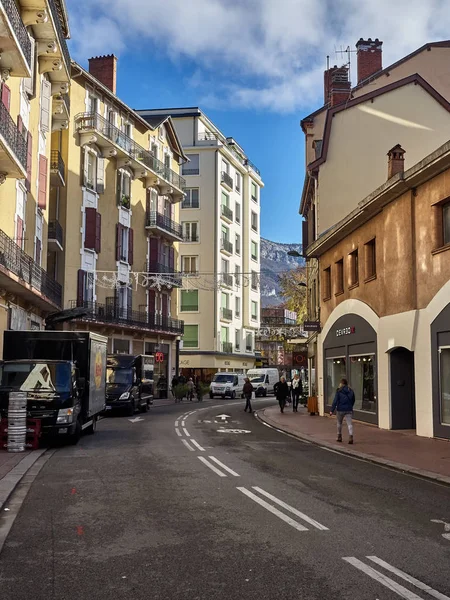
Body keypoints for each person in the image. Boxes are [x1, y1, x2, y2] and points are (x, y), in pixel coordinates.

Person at [330, 378, 355, 444]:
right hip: (349, 409)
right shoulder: (351, 391)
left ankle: (339, 436)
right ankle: (351, 437)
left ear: (341, 383)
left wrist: (332, 410)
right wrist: (350, 406)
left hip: (340, 409)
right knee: (349, 424)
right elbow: (353, 400)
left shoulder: (339, 391)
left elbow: (335, 401)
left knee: (339, 423)